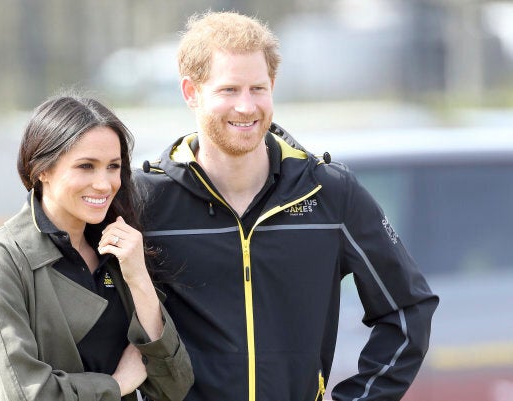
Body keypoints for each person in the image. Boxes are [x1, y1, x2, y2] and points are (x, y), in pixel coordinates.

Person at [134, 11, 438, 401]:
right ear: (191, 92)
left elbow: (408, 307)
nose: (246, 107)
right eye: (229, 90)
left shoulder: (328, 192)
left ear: (272, 86)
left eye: (257, 88)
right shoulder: (145, 200)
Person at [0, 94, 193, 401]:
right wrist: (118, 384)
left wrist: (138, 278)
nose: (104, 183)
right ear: (41, 169)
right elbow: (25, 394)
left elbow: (174, 385)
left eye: (113, 166)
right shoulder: (1, 258)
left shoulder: (117, 251)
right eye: (86, 166)